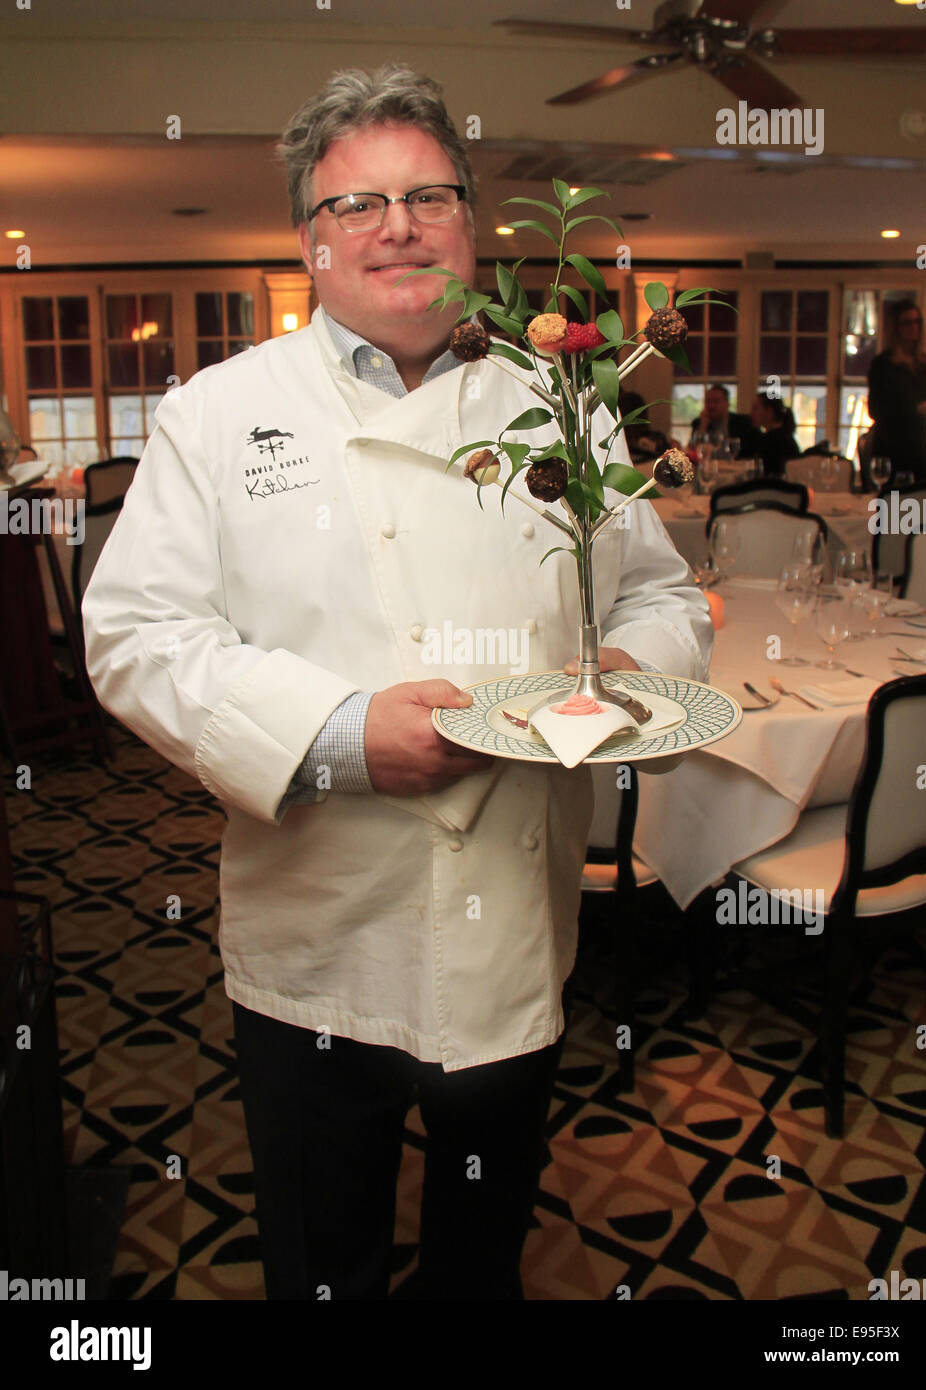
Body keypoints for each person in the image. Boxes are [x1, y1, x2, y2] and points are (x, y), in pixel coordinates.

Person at [81, 63, 713, 1302]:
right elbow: (137, 638)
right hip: (318, 931)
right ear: (308, 242)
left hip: (511, 914)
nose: (398, 224)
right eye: (356, 206)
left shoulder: (562, 404)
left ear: (472, 223)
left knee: (482, 1257)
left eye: (428, 194)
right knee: (327, 1258)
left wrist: (634, 677)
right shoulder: (216, 416)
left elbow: (655, 593)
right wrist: (338, 734)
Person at [867, 299, 926, 484]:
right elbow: (875, 409)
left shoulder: (925, 363)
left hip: (920, 445)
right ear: (896, 328)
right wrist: (914, 409)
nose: (914, 327)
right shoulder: (883, 365)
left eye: (918, 322)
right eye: (908, 323)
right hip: (892, 445)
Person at [689, 383, 754, 457]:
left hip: (736, 466)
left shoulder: (742, 422)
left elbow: (748, 452)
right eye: (708, 401)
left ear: (727, 404)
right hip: (709, 466)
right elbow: (692, 452)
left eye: (716, 401)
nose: (711, 405)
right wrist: (703, 427)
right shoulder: (698, 423)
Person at [747, 392, 800, 478]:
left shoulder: (769, 441)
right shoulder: (786, 437)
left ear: (769, 411)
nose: (751, 413)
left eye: (755, 409)